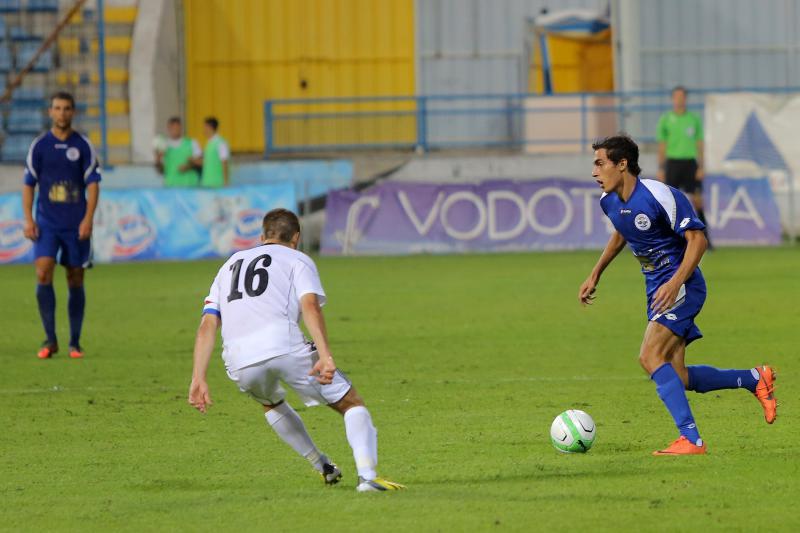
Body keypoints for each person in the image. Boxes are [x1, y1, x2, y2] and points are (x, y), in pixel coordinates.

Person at [578, 134, 776, 456]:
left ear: (622, 164)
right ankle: (755, 379)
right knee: (678, 376)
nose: (594, 172)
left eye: (600, 163)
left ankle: (691, 439)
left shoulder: (660, 196)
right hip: (657, 289)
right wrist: (595, 273)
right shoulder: (608, 201)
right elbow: (622, 232)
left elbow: (698, 240)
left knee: (649, 356)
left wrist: (674, 283)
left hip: (682, 285)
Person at [188, 208, 404, 492]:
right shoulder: (298, 259)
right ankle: (367, 477)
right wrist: (325, 355)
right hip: (284, 345)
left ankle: (323, 466)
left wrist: (198, 377)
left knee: (271, 403)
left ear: (262, 237)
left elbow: (207, 324)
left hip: (239, 358)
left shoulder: (229, 265)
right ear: (297, 238)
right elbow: (310, 306)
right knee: (350, 403)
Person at [22, 91, 101, 359]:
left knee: (75, 277)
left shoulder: (83, 146)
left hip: (75, 224)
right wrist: (29, 219)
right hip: (47, 224)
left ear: (73, 112)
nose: (62, 113)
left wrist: (88, 219)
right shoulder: (40, 146)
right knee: (43, 272)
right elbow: (28, 184)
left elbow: (93, 185)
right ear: (50, 112)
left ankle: (75, 342)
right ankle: (50, 339)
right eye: (57, 108)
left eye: (66, 108)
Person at [656, 86, 712, 246]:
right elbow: (662, 146)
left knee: (697, 200)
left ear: (685, 99)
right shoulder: (666, 119)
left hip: (690, 163)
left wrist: (701, 166)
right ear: (673, 99)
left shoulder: (693, 119)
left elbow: (700, 144)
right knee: (668, 202)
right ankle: (667, 239)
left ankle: (705, 239)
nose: (679, 99)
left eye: (682, 96)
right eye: (676, 96)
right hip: (672, 163)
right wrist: (661, 168)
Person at [154, 116, 201, 187]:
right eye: (172, 128)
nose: (175, 130)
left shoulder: (192, 143)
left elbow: (201, 163)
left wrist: (188, 167)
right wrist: (158, 159)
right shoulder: (163, 146)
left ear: (181, 128)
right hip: (171, 186)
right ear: (168, 128)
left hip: (190, 186)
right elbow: (161, 171)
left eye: (177, 127)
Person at [200, 116, 230, 188]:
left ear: (209, 127)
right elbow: (208, 162)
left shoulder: (221, 143)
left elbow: (224, 162)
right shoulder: (209, 143)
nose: (203, 130)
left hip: (218, 184)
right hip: (208, 183)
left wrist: (225, 182)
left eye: (205, 127)